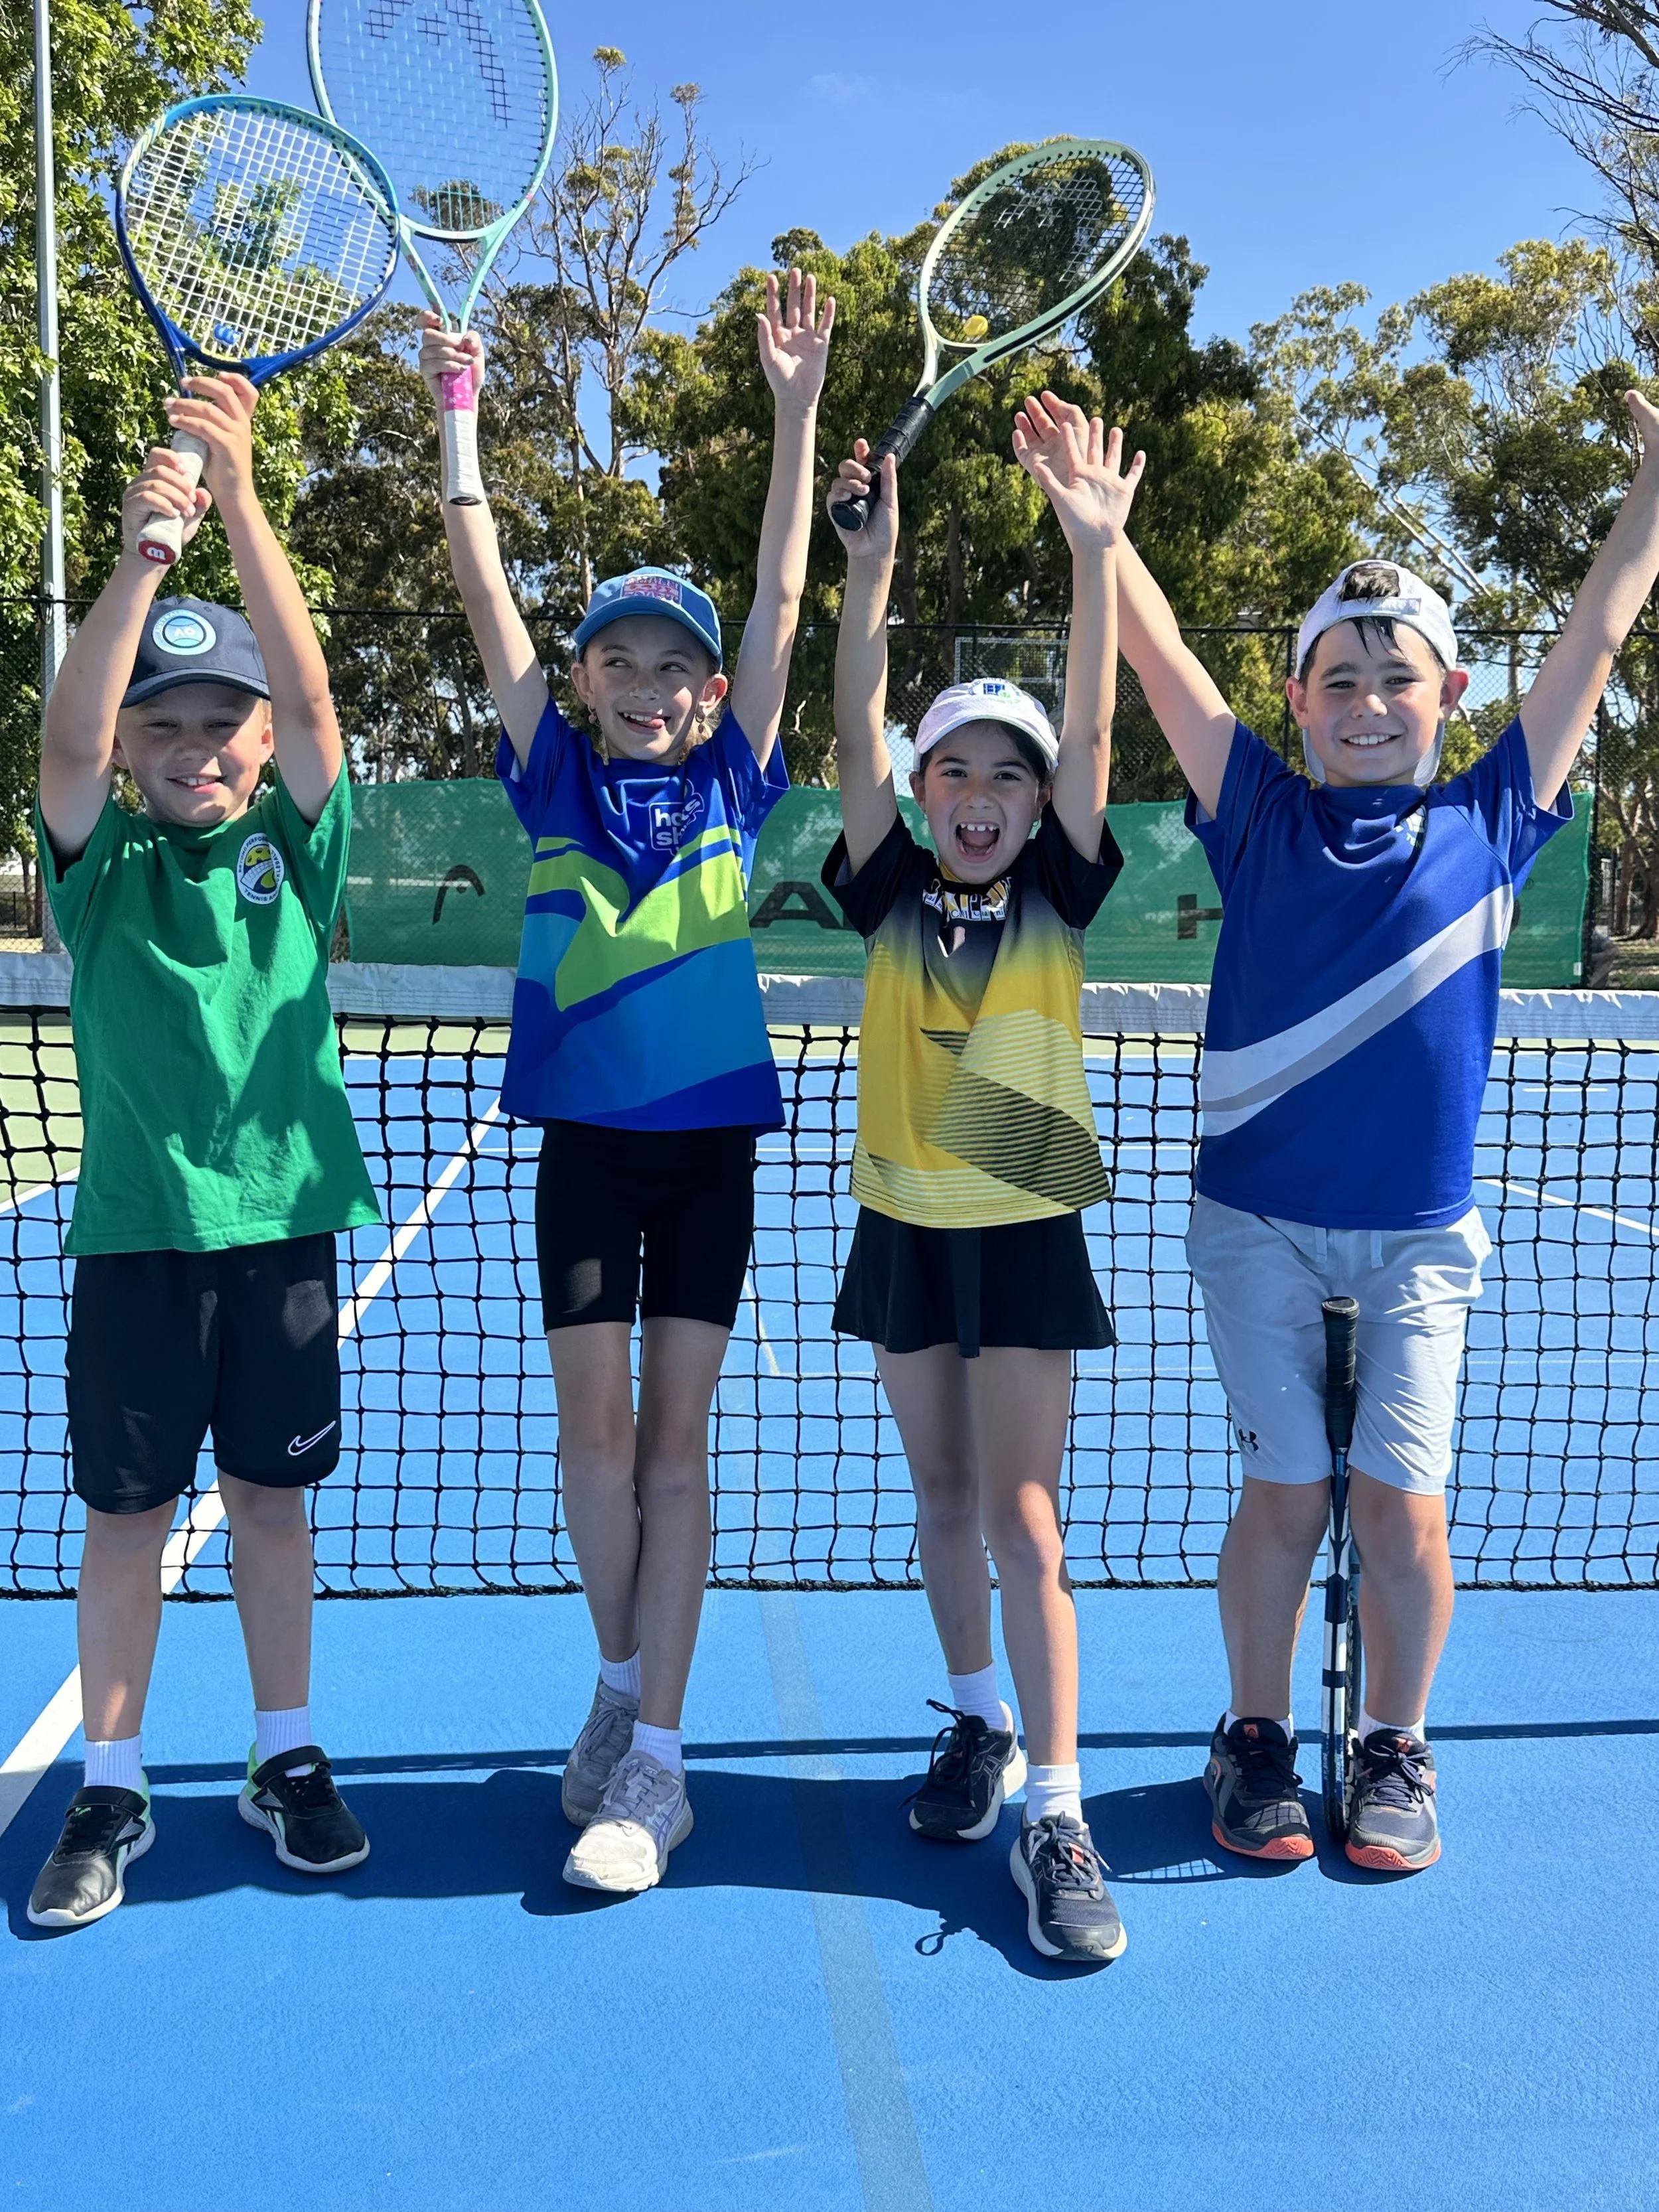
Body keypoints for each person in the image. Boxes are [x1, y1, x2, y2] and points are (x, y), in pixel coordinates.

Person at [1076, 382, 1659, 1872]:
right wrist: (1102, 536)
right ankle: (1255, 1736)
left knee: (1402, 1511)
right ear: (1297, 703)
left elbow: (1595, 637)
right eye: (1336, 679)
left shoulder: (1492, 818)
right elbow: (1162, 663)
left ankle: (1395, 1742)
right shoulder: (1257, 811)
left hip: (1419, 1241)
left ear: (1449, 692)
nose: (1366, 702)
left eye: (1395, 677)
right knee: (1284, 1495)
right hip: (1254, 1223)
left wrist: (1652, 488)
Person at [418, 269, 833, 1893]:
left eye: (676, 666)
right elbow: (479, 588)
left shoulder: (735, 774)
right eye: (621, 662)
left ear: (708, 693)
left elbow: (782, 599)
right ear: (584, 680)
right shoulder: (550, 775)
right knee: (592, 1441)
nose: (649, 685)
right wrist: (460, 420)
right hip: (584, 1148)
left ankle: (656, 1761)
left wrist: (793, 415)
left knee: (674, 1449)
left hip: (707, 1149)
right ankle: (616, 1683)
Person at [27, 374, 380, 1931]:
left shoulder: (294, 849)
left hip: (281, 1235)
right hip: (134, 1241)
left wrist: (238, 500)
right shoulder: (99, 871)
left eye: (218, 724)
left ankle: (283, 1753)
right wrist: (142, 560)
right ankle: (111, 1783)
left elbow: (314, 706)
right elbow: (63, 735)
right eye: (161, 726)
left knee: (269, 1507)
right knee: (123, 1520)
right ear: (128, 747)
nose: (194, 748)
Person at [821, 404, 1141, 1963]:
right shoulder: (887, 884)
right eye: (952, 765)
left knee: (1023, 1517)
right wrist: (865, 574)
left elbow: (1094, 730)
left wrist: (1094, 552)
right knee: (940, 1501)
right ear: (922, 782)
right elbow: (849, 728)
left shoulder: (1057, 892)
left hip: (1022, 1224)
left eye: (1007, 773)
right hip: (902, 1220)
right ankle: (977, 1722)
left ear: (1034, 798)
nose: (979, 789)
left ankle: (1057, 1811)